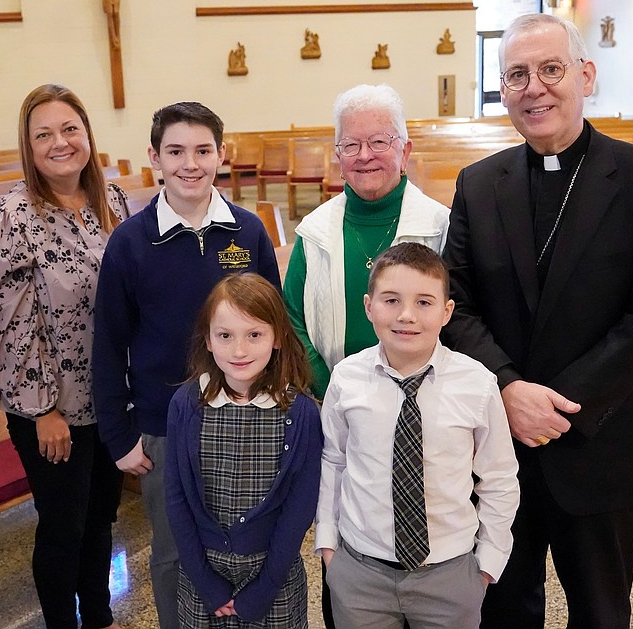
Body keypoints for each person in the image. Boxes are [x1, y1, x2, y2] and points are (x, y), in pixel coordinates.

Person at [442, 13, 633, 629]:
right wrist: (507, 387)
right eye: (518, 75)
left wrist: (556, 404)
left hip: (604, 444)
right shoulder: (478, 185)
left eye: (551, 69)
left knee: (602, 614)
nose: (536, 87)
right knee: (502, 612)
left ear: (586, 75)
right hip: (497, 449)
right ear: (503, 89)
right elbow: (456, 304)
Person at [92, 101, 281, 629]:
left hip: (246, 421)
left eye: (202, 150)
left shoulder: (248, 231)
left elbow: (276, 329)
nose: (189, 164)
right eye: (175, 151)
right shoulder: (130, 242)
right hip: (163, 428)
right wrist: (120, 435)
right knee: (177, 554)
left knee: (248, 547)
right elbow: (107, 344)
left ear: (222, 154)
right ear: (155, 157)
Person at [284, 84, 449, 627]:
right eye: (350, 145)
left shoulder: (441, 225)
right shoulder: (316, 232)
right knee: (351, 544)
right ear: (336, 155)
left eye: (379, 141)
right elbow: (291, 322)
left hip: (425, 411)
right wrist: (334, 389)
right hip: (340, 409)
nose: (365, 155)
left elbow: (460, 317)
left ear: (405, 149)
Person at [0, 84, 128, 629]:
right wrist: (43, 409)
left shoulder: (112, 204)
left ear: (87, 134)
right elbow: (8, 323)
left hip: (110, 398)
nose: (60, 142)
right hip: (53, 405)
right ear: (28, 145)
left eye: (70, 129)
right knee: (64, 525)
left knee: (101, 518)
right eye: (44, 134)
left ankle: (100, 617)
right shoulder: (10, 217)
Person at [315, 243, 519, 629]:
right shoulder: (346, 378)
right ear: (368, 306)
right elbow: (335, 460)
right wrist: (329, 546)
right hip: (361, 571)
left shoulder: (477, 384)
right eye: (391, 300)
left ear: (446, 312)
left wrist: (487, 564)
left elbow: (499, 478)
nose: (407, 315)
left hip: (449, 573)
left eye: (424, 303)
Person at [165, 273, 322, 628]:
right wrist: (206, 582)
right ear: (207, 339)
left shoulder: (301, 413)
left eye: (254, 335)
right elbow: (176, 498)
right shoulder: (186, 405)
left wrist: (264, 588)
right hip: (202, 574)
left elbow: (300, 508)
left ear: (278, 337)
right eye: (225, 336)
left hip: (274, 577)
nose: (239, 350)